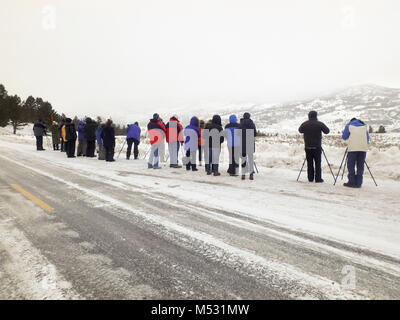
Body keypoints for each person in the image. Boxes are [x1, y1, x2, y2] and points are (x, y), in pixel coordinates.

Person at [298, 110, 330, 183]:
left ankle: (310, 178)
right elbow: (327, 131)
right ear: (316, 116)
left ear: (309, 116)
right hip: (317, 147)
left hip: (308, 147)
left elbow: (300, 130)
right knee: (318, 163)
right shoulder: (319, 124)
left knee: (309, 163)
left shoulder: (305, 124)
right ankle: (318, 179)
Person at [342, 118, 370, 188]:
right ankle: (359, 183)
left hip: (353, 149)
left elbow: (344, 137)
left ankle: (352, 182)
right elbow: (367, 138)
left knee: (351, 165)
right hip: (363, 148)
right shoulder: (364, 126)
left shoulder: (349, 125)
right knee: (360, 165)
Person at [239, 112, 257, 180]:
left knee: (243, 159)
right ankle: (251, 174)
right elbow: (255, 133)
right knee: (250, 159)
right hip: (250, 144)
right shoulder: (252, 124)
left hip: (242, 144)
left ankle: (243, 174)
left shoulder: (241, 124)